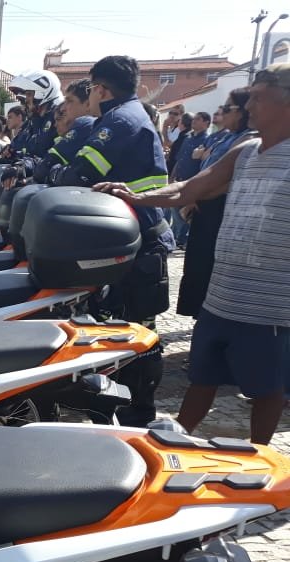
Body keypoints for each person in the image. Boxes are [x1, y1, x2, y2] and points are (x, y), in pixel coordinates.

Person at [98, 63, 290, 443]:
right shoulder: (245, 151)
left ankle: (258, 459)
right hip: (220, 298)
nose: (248, 105)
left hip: (268, 307)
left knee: (267, 390)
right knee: (202, 378)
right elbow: (189, 189)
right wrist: (136, 197)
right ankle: (175, 442)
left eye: (258, 97)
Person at [49, 55, 176, 425]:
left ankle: (139, 413)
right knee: (119, 325)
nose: (89, 97)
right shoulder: (122, 116)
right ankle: (121, 403)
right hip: (125, 237)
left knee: (138, 332)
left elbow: (80, 174)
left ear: (102, 90)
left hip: (140, 240)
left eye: (91, 90)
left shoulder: (121, 121)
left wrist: (54, 175)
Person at [174, 88, 256, 317]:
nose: (222, 113)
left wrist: (195, 196)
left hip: (220, 209)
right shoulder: (225, 136)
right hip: (205, 205)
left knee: (209, 265)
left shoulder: (248, 139)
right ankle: (198, 314)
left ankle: (207, 316)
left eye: (227, 108)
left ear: (242, 111)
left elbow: (227, 178)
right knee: (198, 264)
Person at [33, 78, 95, 183]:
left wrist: (54, 172)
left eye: (69, 101)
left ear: (88, 104)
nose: (63, 108)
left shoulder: (85, 125)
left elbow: (43, 169)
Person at [169, 112, 212, 247]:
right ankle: (178, 237)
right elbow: (180, 159)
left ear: (206, 123)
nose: (194, 121)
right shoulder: (188, 138)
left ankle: (181, 239)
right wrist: (172, 177)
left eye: (198, 119)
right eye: (194, 119)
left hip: (191, 181)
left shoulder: (206, 140)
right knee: (175, 210)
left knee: (185, 212)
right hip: (179, 179)